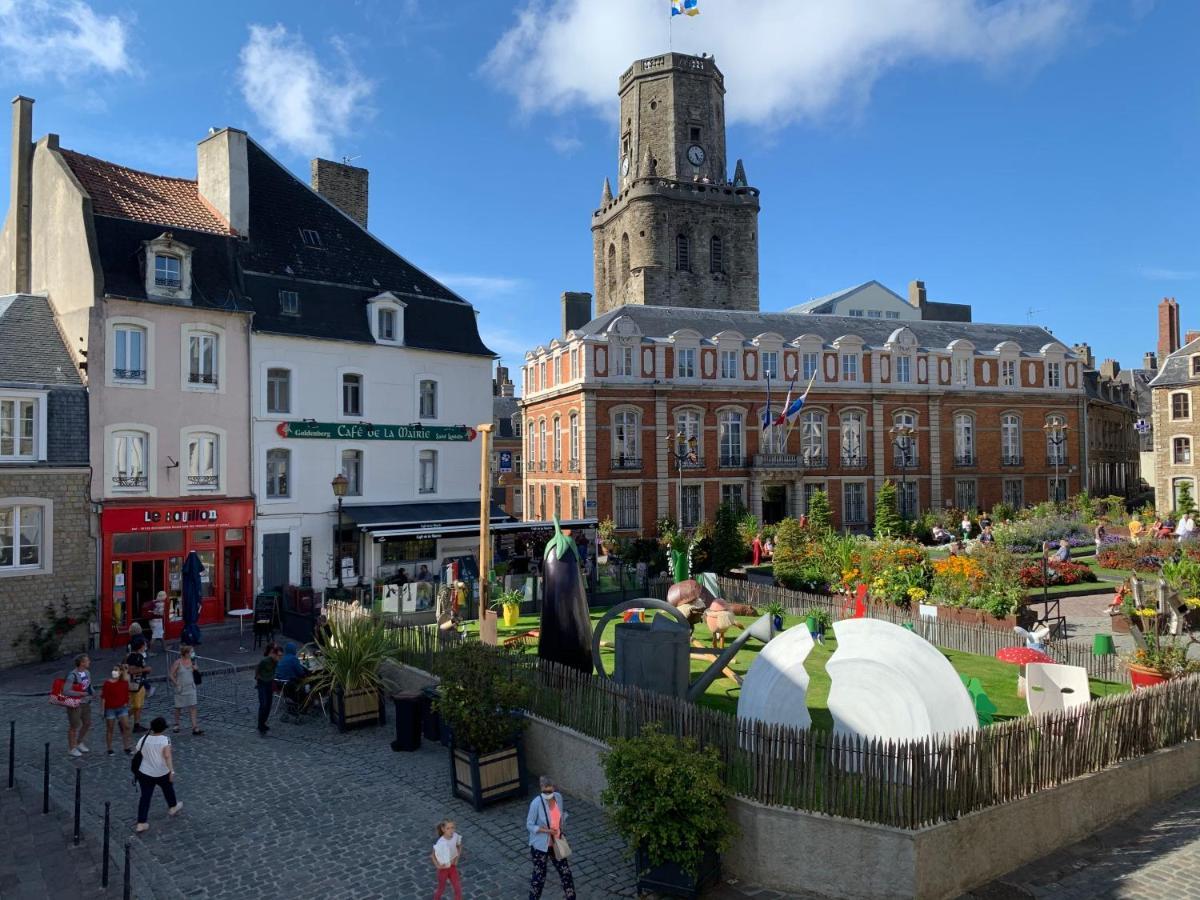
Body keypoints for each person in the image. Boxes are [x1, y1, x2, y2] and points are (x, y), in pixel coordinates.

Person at [526, 775, 576, 899]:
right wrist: (547, 830)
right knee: (539, 877)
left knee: (566, 872)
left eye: (550, 791)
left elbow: (559, 817)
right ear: (541, 788)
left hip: (556, 844)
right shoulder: (536, 803)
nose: (548, 794)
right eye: (545, 791)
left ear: (553, 788)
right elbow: (529, 825)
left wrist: (560, 831)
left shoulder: (558, 798)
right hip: (540, 846)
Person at [133, 717, 182, 833]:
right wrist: (172, 771)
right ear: (163, 729)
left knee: (145, 797)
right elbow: (167, 756)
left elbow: (137, 753)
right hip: (161, 772)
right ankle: (173, 806)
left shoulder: (143, 739)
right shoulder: (165, 740)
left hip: (145, 773)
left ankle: (141, 823)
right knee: (168, 789)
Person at [64, 654, 94, 758]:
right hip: (75, 704)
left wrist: (92, 693)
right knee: (74, 726)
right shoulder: (72, 675)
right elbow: (66, 691)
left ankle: (79, 742)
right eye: (87, 660)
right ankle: (72, 748)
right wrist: (81, 694)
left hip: (85, 702)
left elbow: (88, 685)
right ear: (82, 663)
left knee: (87, 723)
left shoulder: (87, 673)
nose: (89, 662)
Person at [169, 645, 203, 735]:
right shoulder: (178, 662)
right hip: (181, 688)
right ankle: (176, 724)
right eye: (191, 652)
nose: (193, 653)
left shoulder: (193, 662)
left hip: (191, 687)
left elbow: (197, 674)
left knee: (193, 706)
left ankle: (194, 726)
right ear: (186, 653)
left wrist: (196, 670)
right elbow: (171, 674)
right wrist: (176, 683)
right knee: (178, 707)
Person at [101, 664, 133, 755]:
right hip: (110, 709)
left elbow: (127, 693)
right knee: (110, 728)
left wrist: (128, 703)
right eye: (114, 669)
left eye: (116, 670)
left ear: (121, 672)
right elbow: (104, 697)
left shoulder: (124, 682)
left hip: (122, 708)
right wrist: (102, 710)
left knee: (126, 727)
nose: (114, 671)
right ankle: (109, 748)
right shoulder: (107, 683)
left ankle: (127, 747)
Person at [431, 819, 464, 900]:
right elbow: (432, 856)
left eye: (452, 827)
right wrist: (438, 866)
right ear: (443, 829)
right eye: (448, 828)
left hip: (452, 867)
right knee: (441, 889)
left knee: (458, 889)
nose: (451, 830)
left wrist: (457, 858)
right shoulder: (441, 842)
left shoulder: (455, 836)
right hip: (443, 869)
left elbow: (459, 846)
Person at [125, 636, 152, 733]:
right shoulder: (135, 657)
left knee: (139, 705)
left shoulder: (135, 656)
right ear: (141, 646)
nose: (146, 646)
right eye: (144, 645)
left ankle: (137, 724)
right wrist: (146, 669)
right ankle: (123, 718)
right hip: (135, 684)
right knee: (136, 705)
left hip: (139, 683)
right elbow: (131, 670)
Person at [255, 643, 282, 735]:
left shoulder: (276, 662)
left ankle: (263, 723)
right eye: (278, 655)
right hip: (262, 684)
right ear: (274, 654)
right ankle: (260, 725)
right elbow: (258, 668)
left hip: (269, 683)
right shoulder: (266, 660)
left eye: (281, 656)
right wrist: (258, 678)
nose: (280, 657)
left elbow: (273, 671)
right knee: (263, 704)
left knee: (269, 705)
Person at [149, 590, 166, 655]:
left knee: (160, 635)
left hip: (152, 620)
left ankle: (164, 647)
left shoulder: (154, 601)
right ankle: (150, 651)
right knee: (155, 636)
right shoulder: (161, 603)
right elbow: (161, 613)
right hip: (157, 621)